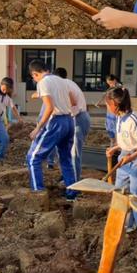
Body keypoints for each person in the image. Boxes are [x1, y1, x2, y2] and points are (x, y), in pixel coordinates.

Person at [105, 87, 137, 248]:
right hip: (124, 160)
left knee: (136, 196)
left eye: (108, 104)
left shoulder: (134, 120)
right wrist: (115, 148)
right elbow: (124, 141)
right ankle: (128, 223)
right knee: (119, 192)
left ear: (116, 104)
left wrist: (131, 157)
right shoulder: (120, 117)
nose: (107, 108)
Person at [26, 59, 78, 201]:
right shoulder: (62, 80)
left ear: (35, 74)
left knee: (33, 158)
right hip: (69, 121)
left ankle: (38, 194)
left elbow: (49, 107)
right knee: (65, 159)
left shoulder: (43, 83)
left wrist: (38, 127)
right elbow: (74, 102)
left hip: (56, 122)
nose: (35, 81)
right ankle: (71, 194)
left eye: (34, 78)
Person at [53, 67, 91, 181]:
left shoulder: (63, 85)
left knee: (73, 153)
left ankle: (74, 183)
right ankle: (67, 176)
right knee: (65, 149)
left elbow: (73, 102)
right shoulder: (69, 83)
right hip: (79, 116)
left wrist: (69, 117)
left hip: (78, 118)